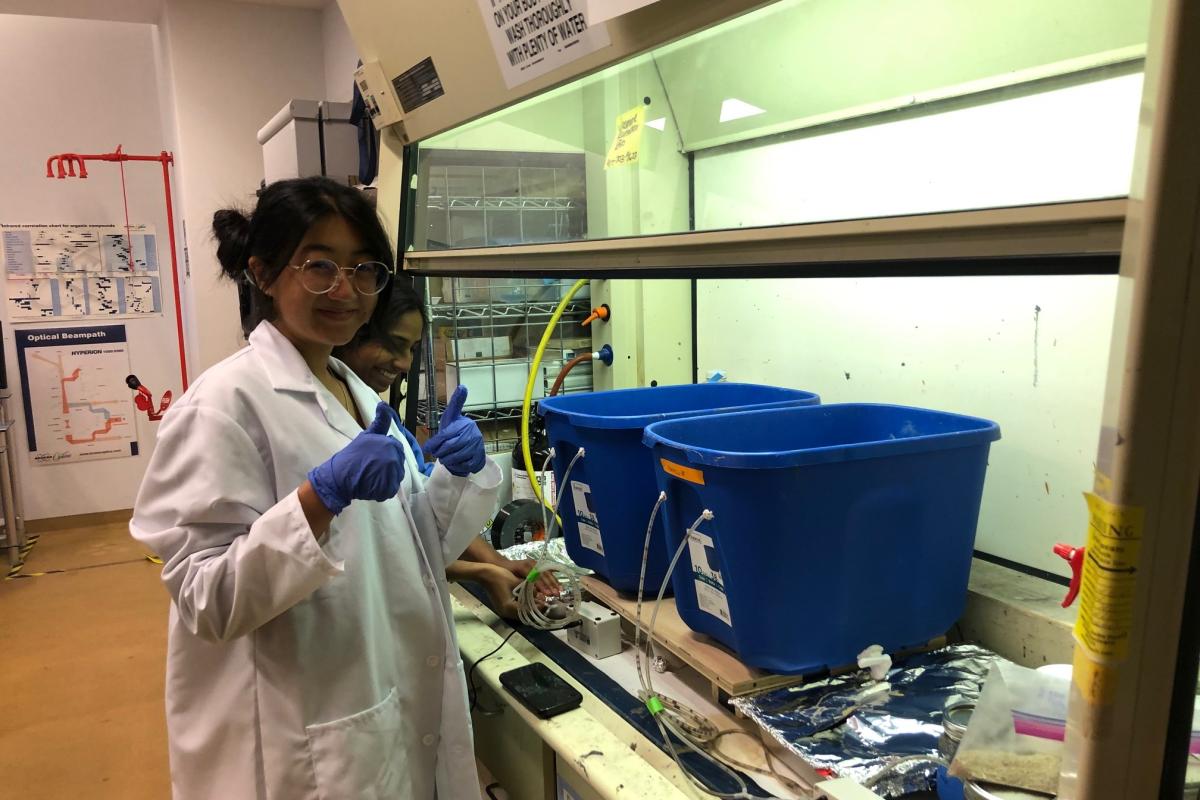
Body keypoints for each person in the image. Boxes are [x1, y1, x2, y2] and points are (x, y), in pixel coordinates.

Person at [130, 176, 500, 800]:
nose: (345, 290)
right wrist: (317, 499)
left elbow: (410, 553)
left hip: (373, 692)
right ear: (265, 273)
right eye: (320, 265)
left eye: (363, 269)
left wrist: (459, 476)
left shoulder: (352, 390)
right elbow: (207, 601)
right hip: (293, 737)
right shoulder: (223, 406)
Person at [333, 285, 559, 619]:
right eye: (394, 345)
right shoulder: (325, 427)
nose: (405, 363)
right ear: (353, 332)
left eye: (411, 348)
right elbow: (379, 550)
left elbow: (426, 513)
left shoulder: (385, 419)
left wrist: (500, 563)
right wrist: (483, 573)